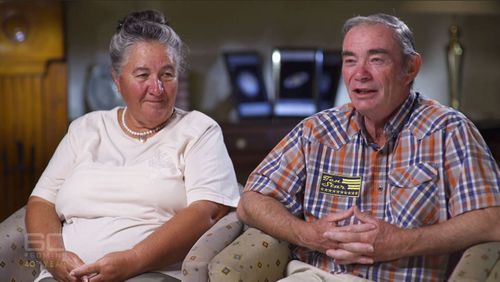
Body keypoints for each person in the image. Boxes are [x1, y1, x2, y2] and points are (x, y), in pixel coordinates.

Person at [237, 13, 500, 281]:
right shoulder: (316, 131)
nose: (360, 74)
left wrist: (403, 242)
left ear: (410, 68)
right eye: (350, 60)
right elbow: (251, 201)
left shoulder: (449, 130)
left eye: (376, 59)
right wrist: (306, 234)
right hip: (315, 275)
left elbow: (491, 220)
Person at [25, 10, 240, 282]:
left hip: (150, 274)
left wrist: (132, 260)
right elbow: (41, 202)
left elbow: (208, 213)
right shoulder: (85, 129)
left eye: (167, 74)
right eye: (142, 75)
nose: (157, 88)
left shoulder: (199, 131)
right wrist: (55, 259)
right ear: (117, 80)